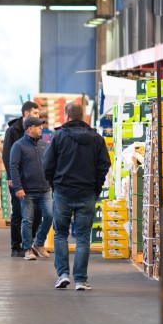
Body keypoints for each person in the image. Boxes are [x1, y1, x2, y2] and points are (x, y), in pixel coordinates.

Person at [43, 101, 110, 290]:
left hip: (63, 192)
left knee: (61, 235)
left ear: (66, 115)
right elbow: (104, 164)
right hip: (87, 193)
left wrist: (54, 184)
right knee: (82, 237)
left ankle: (63, 274)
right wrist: (96, 187)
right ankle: (81, 280)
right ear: (83, 116)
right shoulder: (96, 138)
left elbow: (47, 164)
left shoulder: (58, 137)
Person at [9, 116, 51, 261]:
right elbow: (13, 167)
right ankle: (27, 249)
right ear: (29, 129)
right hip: (27, 191)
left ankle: (38, 243)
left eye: (41, 126)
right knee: (27, 220)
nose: (41, 128)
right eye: (38, 126)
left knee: (50, 215)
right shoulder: (18, 146)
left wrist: (51, 182)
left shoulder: (44, 145)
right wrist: (18, 187)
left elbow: (50, 165)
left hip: (45, 189)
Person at [2, 100, 40, 257]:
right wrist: (10, 177)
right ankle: (15, 247)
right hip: (17, 178)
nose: (38, 116)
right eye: (36, 113)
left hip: (33, 179)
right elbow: (6, 155)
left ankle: (28, 244)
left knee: (37, 212)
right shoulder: (12, 131)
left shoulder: (35, 130)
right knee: (18, 212)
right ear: (26, 114)